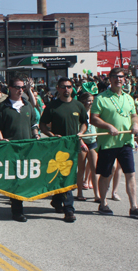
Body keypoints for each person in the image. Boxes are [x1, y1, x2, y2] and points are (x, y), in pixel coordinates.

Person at [91, 67, 138, 218]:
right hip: (108, 143)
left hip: (125, 142)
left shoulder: (128, 98)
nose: (118, 79)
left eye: (121, 77)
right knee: (106, 174)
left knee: (130, 174)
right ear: (110, 79)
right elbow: (94, 118)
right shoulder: (101, 98)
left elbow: (134, 116)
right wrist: (108, 126)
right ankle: (103, 203)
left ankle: (134, 206)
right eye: (115, 76)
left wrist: (135, 125)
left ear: (125, 79)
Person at [39, 77, 88, 223]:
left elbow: (85, 123)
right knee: (63, 176)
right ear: (58, 89)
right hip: (58, 148)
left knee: (67, 176)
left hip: (73, 147)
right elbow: (42, 124)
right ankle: (69, 210)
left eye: (68, 86)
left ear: (72, 88)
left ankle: (57, 199)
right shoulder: (52, 106)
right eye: (63, 87)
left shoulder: (78, 105)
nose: (66, 89)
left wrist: (81, 133)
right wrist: (52, 135)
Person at [0, 77, 39, 222]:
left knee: (25, 177)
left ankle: (21, 201)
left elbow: (33, 124)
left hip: (27, 148)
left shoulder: (27, 106)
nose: (20, 90)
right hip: (11, 148)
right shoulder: (3, 106)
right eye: (18, 87)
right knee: (15, 179)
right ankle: (17, 210)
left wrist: (36, 135)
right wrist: (1, 138)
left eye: (22, 88)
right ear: (10, 88)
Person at [76, 92, 99, 201]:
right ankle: (79, 192)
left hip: (93, 141)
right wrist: (81, 143)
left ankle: (97, 194)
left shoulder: (93, 113)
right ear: (83, 101)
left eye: (92, 101)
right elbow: (76, 130)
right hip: (82, 142)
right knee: (81, 169)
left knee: (95, 169)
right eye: (89, 100)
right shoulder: (79, 112)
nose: (90, 103)